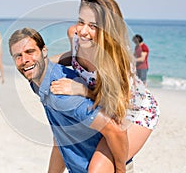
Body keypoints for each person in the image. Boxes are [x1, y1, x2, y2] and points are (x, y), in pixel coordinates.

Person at [50, 0, 160, 172]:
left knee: (96, 170)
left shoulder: (116, 62)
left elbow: (117, 114)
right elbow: (73, 56)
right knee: (61, 137)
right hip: (100, 100)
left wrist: (82, 89)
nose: (83, 31)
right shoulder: (75, 34)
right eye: (81, 21)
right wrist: (45, 63)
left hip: (132, 111)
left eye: (93, 26)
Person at [9, 27, 129, 173]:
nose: (24, 60)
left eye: (30, 52)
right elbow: (61, 138)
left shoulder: (63, 95)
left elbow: (115, 130)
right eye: (18, 56)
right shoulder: (36, 82)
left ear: (44, 51)